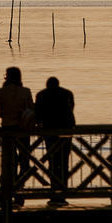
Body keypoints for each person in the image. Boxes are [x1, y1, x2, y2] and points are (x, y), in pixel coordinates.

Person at [0, 67, 33, 206]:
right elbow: (31, 110)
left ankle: (9, 191)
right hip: (23, 131)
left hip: (7, 131)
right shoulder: (26, 91)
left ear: (7, 77)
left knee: (8, 162)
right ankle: (19, 190)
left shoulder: (1, 92)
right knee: (24, 162)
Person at [35, 76, 76, 206]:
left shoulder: (41, 94)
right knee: (64, 162)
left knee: (53, 161)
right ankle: (62, 192)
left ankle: (54, 192)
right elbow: (72, 108)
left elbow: (38, 113)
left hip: (49, 131)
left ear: (47, 85)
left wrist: (39, 125)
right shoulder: (68, 93)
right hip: (66, 131)